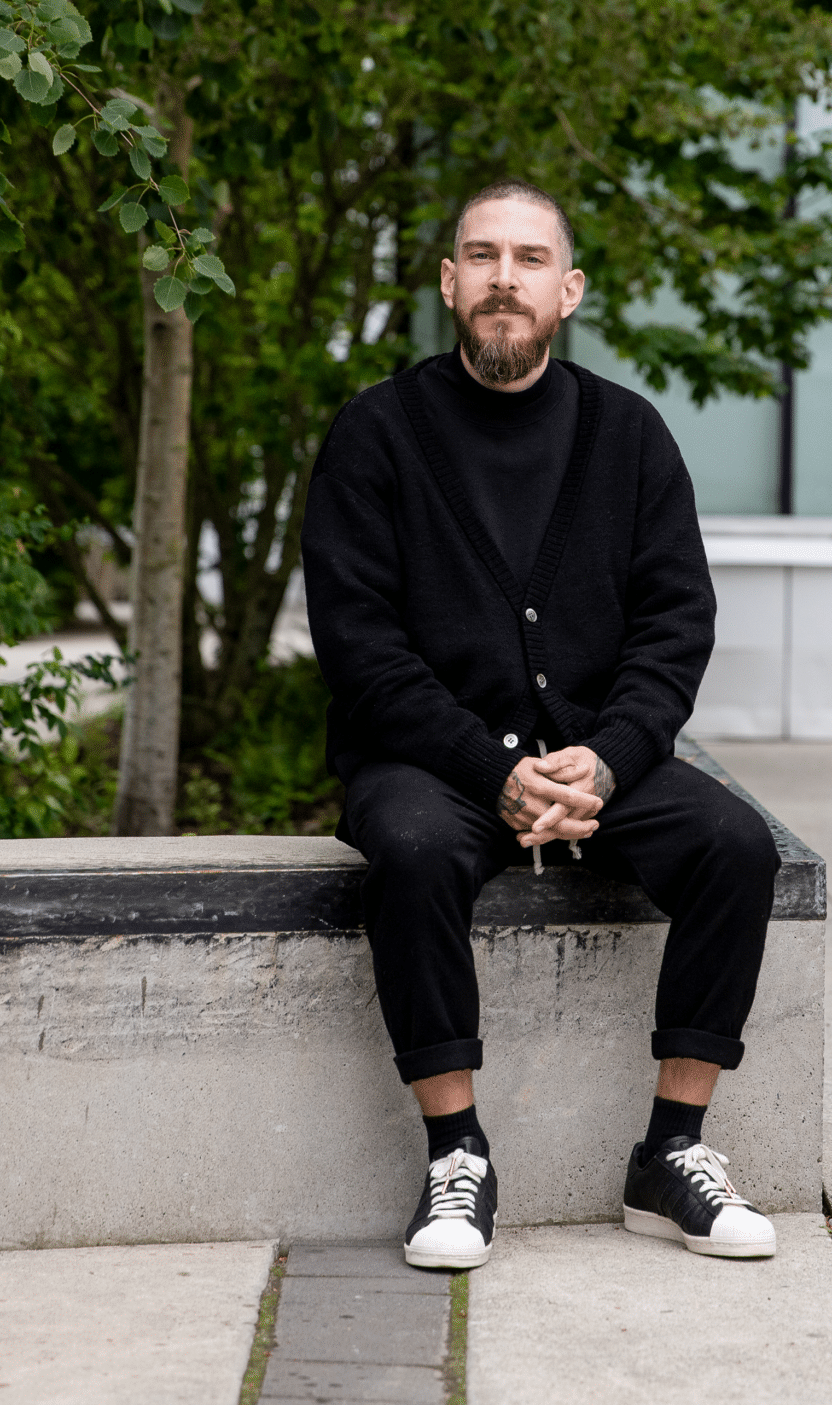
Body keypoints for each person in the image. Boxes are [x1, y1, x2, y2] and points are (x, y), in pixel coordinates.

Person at [301, 177, 782, 1272]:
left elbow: (675, 626)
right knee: (413, 853)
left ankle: (671, 1153)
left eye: (527, 260)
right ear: (447, 283)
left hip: (591, 757)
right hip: (430, 759)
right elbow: (360, 646)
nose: (501, 280)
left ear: (568, 291)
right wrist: (493, 765)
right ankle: (455, 1153)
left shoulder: (630, 435)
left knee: (734, 845)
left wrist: (607, 759)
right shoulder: (375, 435)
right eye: (480, 257)